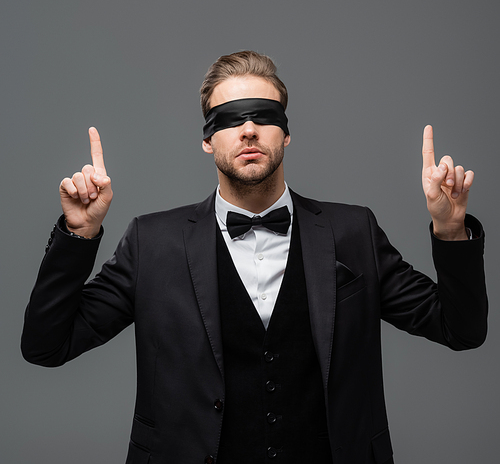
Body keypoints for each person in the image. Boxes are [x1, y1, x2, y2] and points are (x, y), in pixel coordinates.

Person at [21, 51, 487, 464]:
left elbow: (460, 329)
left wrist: (450, 231)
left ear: (286, 134)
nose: (247, 129)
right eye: (228, 119)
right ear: (207, 140)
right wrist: (79, 235)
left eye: (264, 116)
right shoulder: (152, 242)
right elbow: (46, 345)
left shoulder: (352, 231)